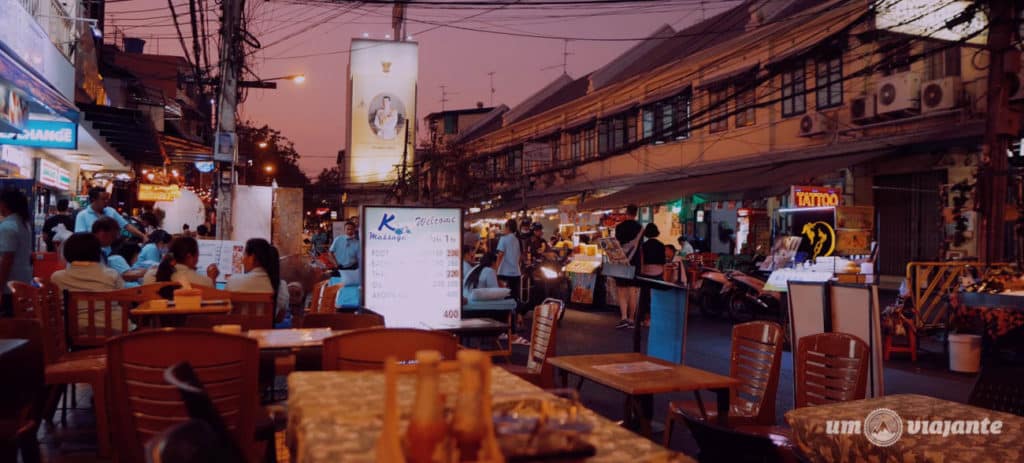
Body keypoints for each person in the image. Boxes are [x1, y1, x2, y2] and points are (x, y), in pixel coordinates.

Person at [225, 238, 290, 327]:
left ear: (252, 258)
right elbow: (279, 318)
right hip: (265, 337)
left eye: (244, 255)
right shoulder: (279, 286)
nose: (243, 261)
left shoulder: (232, 282)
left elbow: (225, 313)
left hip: (238, 338)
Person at [50, 233, 125, 292]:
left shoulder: (57, 278)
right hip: (110, 312)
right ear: (97, 252)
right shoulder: (112, 275)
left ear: (67, 252)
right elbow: (124, 301)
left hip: (71, 312)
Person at [495, 218, 529, 345]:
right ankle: (514, 330)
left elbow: (500, 255)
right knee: (514, 301)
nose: (504, 229)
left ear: (508, 227)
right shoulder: (517, 240)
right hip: (516, 273)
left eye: (505, 227)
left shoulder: (504, 239)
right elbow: (520, 257)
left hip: (504, 273)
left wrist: (495, 270)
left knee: (504, 303)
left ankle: (505, 330)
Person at [0, 189, 33, 315]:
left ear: (5, 204)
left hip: (9, 285)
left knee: (7, 323)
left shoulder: (8, 226)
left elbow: (6, 260)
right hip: (22, 281)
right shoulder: (23, 223)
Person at [143, 236, 219, 288]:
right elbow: (212, 298)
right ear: (189, 257)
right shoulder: (204, 282)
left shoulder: (149, 276)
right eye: (197, 255)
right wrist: (212, 279)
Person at [75, 187, 146, 240]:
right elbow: (80, 237)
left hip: (109, 252)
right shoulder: (82, 215)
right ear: (93, 200)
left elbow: (127, 226)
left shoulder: (111, 211)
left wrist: (143, 236)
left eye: (107, 199)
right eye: (103, 199)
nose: (106, 201)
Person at [613, 205, 642, 329]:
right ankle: (631, 319)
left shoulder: (619, 227)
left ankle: (623, 317)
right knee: (633, 291)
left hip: (621, 261)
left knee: (621, 290)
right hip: (635, 261)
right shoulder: (640, 228)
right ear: (636, 213)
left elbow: (616, 244)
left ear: (626, 213)